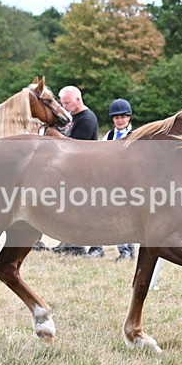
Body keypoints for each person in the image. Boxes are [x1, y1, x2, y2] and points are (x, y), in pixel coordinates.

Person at [52, 86, 99, 256]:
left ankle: (77, 246)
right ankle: (66, 243)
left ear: (78, 100)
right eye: (62, 103)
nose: (63, 106)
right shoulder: (72, 117)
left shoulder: (87, 119)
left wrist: (54, 135)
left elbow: (76, 146)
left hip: (84, 170)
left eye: (67, 102)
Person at [93, 99, 135, 260]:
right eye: (117, 118)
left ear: (129, 117)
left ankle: (126, 250)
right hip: (108, 181)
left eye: (123, 117)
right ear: (113, 119)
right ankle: (97, 248)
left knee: (123, 217)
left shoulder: (134, 136)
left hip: (127, 182)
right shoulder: (109, 135)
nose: (120, 120)